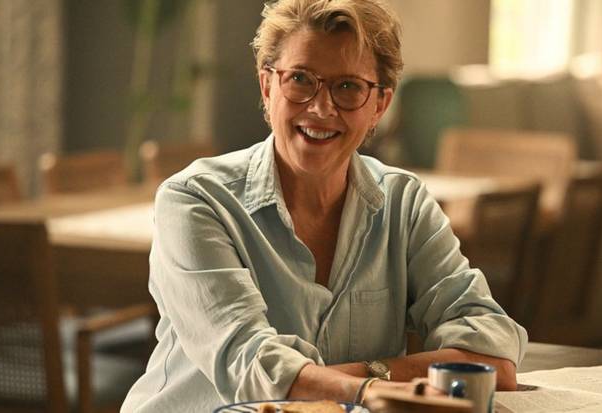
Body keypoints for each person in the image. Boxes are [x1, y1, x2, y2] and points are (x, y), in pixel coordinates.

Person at [121, 0, 527, 411]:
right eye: (300, 79)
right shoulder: (195, 200)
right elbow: (255, 368)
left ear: (380, 106)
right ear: (267, 86)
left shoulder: (405, 204)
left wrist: (365, 375)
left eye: (348, 86)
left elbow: (491, 353)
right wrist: (371, 391)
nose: (320, 107)